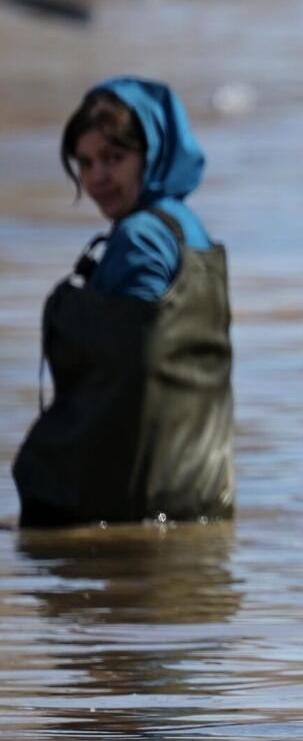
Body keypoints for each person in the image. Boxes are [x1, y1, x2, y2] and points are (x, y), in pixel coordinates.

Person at [13, 78, 234, 527]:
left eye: (114, 159)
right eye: (86, 162)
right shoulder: (188, 228)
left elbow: (132, 375)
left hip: (128, 505)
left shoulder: (140, 237)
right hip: (201, 493)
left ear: (149, 156)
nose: (97, 178)